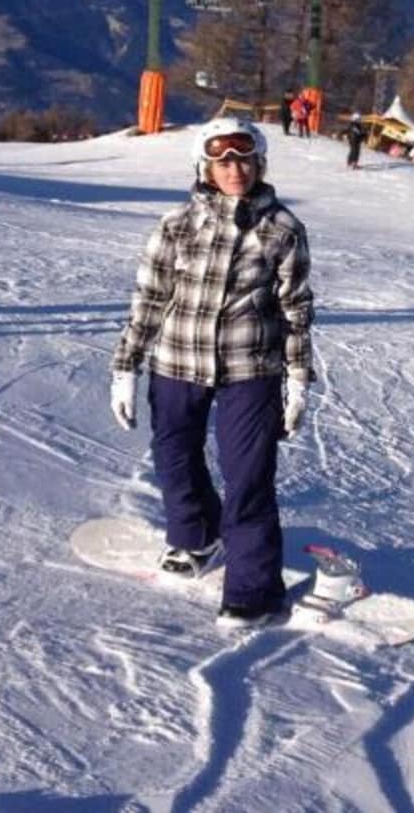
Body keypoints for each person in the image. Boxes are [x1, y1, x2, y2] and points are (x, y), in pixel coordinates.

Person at [109, 116, 314, 630]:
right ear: (204, 166)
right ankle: (197, 536)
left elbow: (295, 309)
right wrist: (125, 366)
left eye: (244, 159)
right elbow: (150, 299)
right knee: (173, 456)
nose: (234, 169)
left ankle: (254, 589)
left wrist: (297, 379)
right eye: (221, 160)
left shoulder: (283, 230)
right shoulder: (176, 226)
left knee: (247, 475)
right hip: (178, 360)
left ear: (259, 162)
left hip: (251, 366)